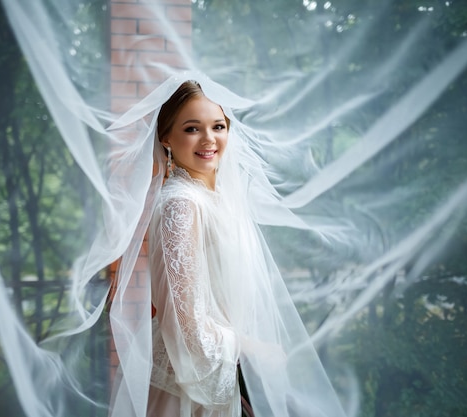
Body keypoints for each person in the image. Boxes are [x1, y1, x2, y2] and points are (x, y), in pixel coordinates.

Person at [142, 80, 341, 417]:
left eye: (218, 126)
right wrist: (254, 349)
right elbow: (183, 322)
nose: (209, 139)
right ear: (167, 139)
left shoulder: (214, 199)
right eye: (192, 128)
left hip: (229, 372)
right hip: (191, 390)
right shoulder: (182, 204)